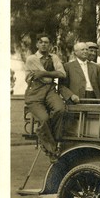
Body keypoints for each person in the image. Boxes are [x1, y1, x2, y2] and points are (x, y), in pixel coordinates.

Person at [24, 33, 66, 162]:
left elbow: (62, 74)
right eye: (41, 42)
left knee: (60, 109)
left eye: (46, 42)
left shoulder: (54, 57)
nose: (43, 44)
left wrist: (44, 73)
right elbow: (49, 77)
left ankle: (51, 139)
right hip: (34, 93)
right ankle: (51, 149)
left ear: (50, 45)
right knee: (44, 119)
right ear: (37, 44)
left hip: (50, 91)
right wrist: (51, 75)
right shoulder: (31, 59)